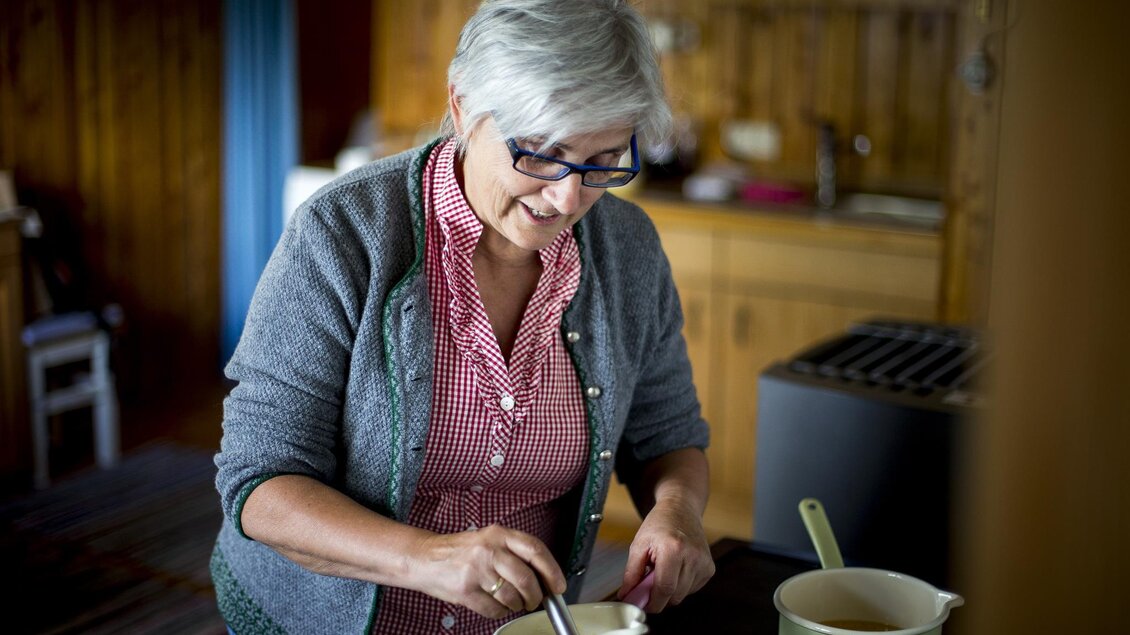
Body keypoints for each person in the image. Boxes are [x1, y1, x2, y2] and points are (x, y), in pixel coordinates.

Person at [210, 1, 714, 632]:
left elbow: (667, 436)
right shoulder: (343, 233)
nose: (567, 197)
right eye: (540, 152)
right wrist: (427, 558)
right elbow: (259, 484)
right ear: (461, 108)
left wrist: (678, 509)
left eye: (603, 160)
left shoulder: (627, 251)